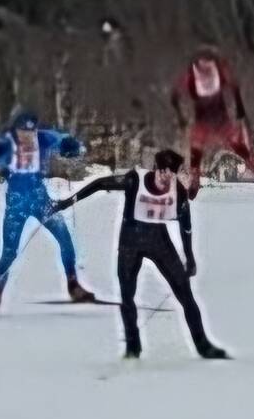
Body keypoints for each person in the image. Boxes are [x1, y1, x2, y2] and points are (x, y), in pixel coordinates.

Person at [48, 147, 226, 360]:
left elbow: (185, 225)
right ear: (155, 169)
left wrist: (189, 257)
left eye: (171, 174)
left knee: (186, 296)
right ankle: (133, 347)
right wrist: (68, 202)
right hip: (130, 244)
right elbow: (100, 184)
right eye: (163, 172)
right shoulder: (135, 181)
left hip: (159, 243)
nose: (165, 179)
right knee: (127, 296)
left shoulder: (177, 192)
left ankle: (203, 345)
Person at [0, 108, 94, 316]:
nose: (28, 138)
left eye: (31, 133)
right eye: (23, 133)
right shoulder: (6, 143)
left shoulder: (44, 138)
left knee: (64, 237)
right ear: (16, 132)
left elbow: (64, 139)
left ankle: (73, 283)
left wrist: (72, 147)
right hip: (16, 204)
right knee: (9, 252)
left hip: (40, 200)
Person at [170, 44, 254, 197]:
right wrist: (240, 107)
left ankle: (196, 181)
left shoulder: (194, 73)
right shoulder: (216, 69)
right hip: (218, 120)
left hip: (208, 120)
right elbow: (234, 86)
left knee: (198, 151)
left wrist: (180, 117)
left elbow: (175, 96)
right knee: (235, 148)